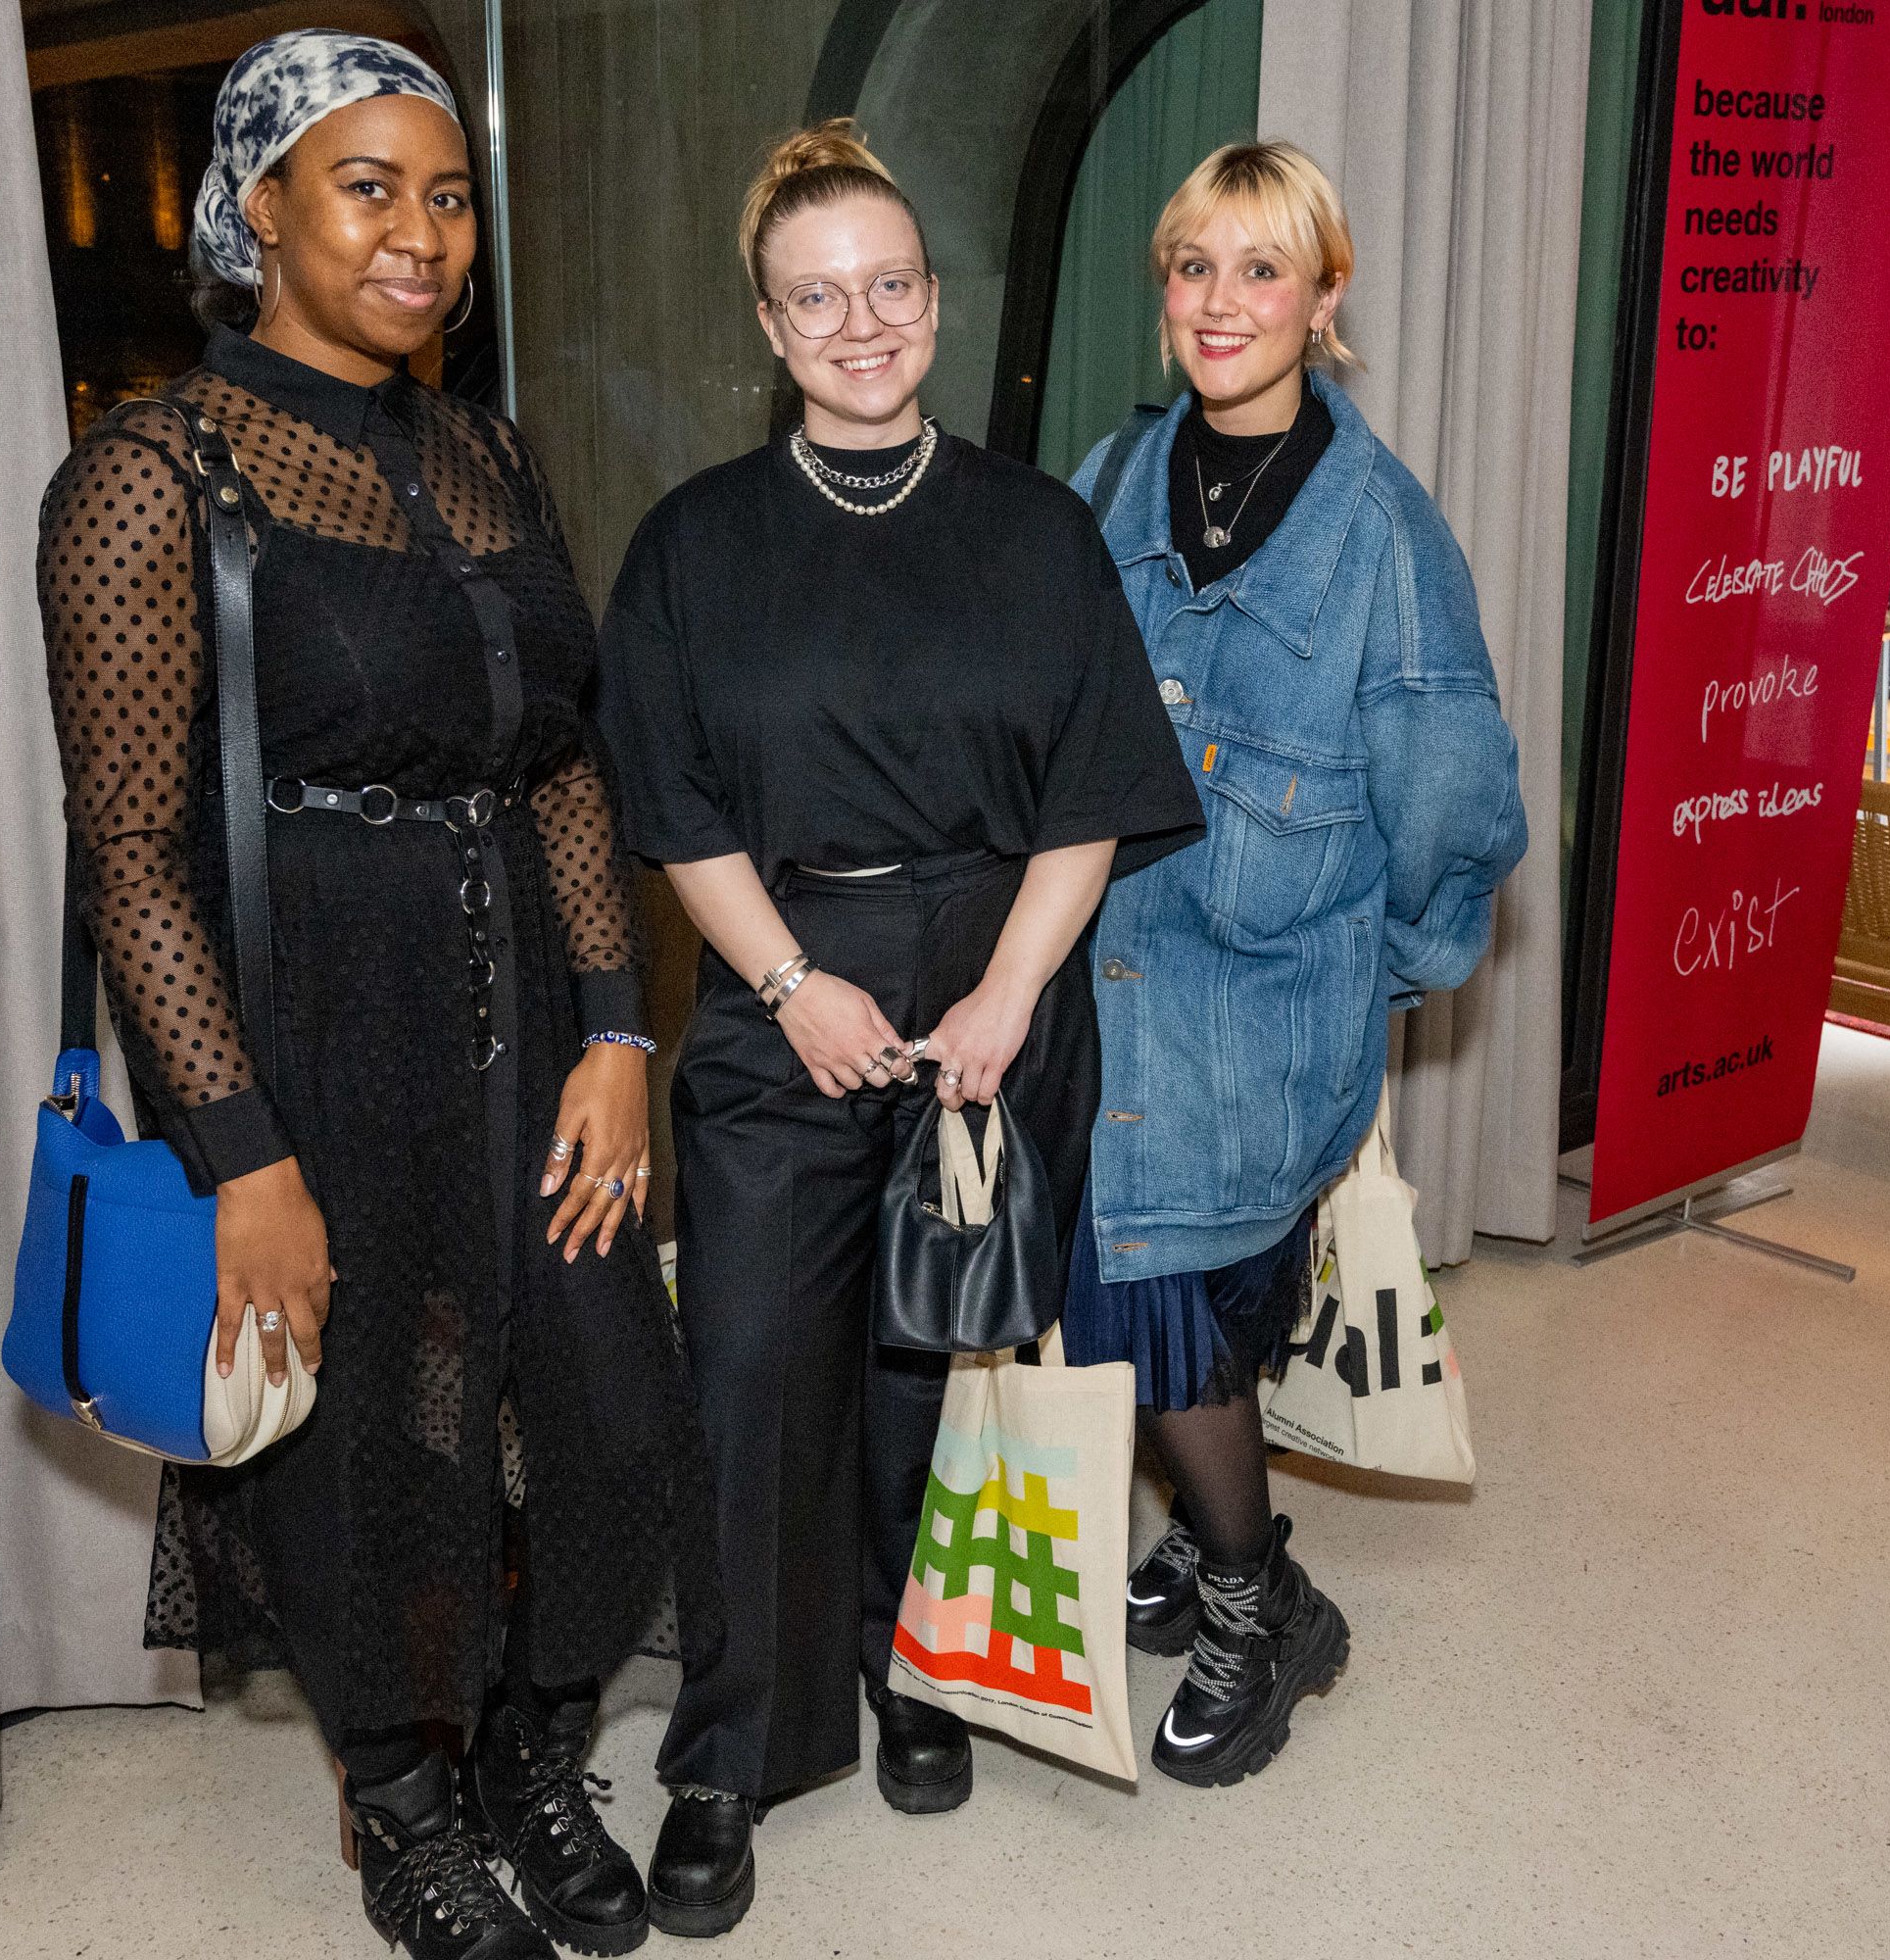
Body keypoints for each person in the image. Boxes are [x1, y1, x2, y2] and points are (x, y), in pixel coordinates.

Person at [35, 32, 720, 1959]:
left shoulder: (491, 451)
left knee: (601, 1397)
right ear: (255, 212)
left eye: (447, 193)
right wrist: (242, 1156)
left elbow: (561, 757)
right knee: (363, 1444)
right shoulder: (145, 479)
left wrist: (615, 1029)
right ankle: (406, 1802)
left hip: (525, 996)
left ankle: (527, 1733)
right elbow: (131, 856)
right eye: (368, 185)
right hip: (308, 1017)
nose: (425, 232)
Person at [594, 121, 1200, 1937]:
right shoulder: (697, 542)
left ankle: (909, 1666)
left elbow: (1091, 793)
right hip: (789, 974)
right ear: (770, 330)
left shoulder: (1037, 528)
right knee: (754, 1370)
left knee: (926, 1361)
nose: (858, 324)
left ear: (935, 302)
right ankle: (728, 1751)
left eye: (887, 288)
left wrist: (1007, 994)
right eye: (814, 299)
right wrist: (792, 985)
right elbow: (676, 805)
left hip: (1000, 976)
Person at [1064, 140, 1525, 1788]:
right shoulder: (1120, 474)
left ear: (1326, 299)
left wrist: (1372, 980)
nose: (1221, 302)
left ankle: (1265, 1604)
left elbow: (1459, 805)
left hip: (1268, 1004)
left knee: (1159, 1294)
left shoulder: (1385, 536)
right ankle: (1212, 1524)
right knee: (1152, 1298)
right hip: (1107, 977)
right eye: (1195, 265)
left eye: (1263, 269)